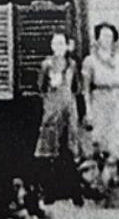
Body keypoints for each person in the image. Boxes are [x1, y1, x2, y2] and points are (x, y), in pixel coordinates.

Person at [80, 22, 119, 203]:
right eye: (103, 35)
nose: (106, 39)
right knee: (101, 143)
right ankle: (102, 184)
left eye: (109, 36)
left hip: (116, 100)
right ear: (97, 38)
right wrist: (89, 110)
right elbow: (85, 89)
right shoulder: (90, 61)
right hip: (99, 100)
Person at [33, 31, 82, 206]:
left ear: (66, 46)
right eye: (56, 44)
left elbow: (77, 87)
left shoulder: (72, 65)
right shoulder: (46, 65)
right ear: (52, 46)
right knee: (50, 151)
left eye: (62, 44)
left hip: (69, 110)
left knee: (70, 149)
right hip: (52, 111)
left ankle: (74, 192)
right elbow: (40, 87)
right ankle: (50, 192)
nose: (59, 48)